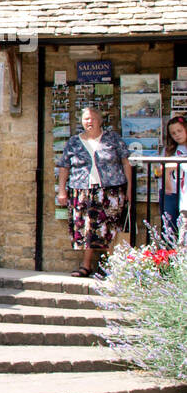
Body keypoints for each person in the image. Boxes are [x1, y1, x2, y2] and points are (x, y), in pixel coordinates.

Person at [57, 106, 133, 278]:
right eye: (85, 119)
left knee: (110, 227)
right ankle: (86, 265)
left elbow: (126, 162)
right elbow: (64, 167)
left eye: (92, 118)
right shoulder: (74, 142)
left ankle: (111, 266)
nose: (89, 122)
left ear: (100, 120)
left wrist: (129, 188)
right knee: (87, 229)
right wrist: (62, 191)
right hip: (82, 190)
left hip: (110, 190)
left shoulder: (112, 139)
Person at [157, 114, 187, 241]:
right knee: (169, 226)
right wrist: (164, 169)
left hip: (184, 193)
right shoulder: (168, 150)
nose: (177, 135)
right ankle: (169, 256)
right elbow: (157, 171)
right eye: (173, 133)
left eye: (179, 131)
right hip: (171, 192)